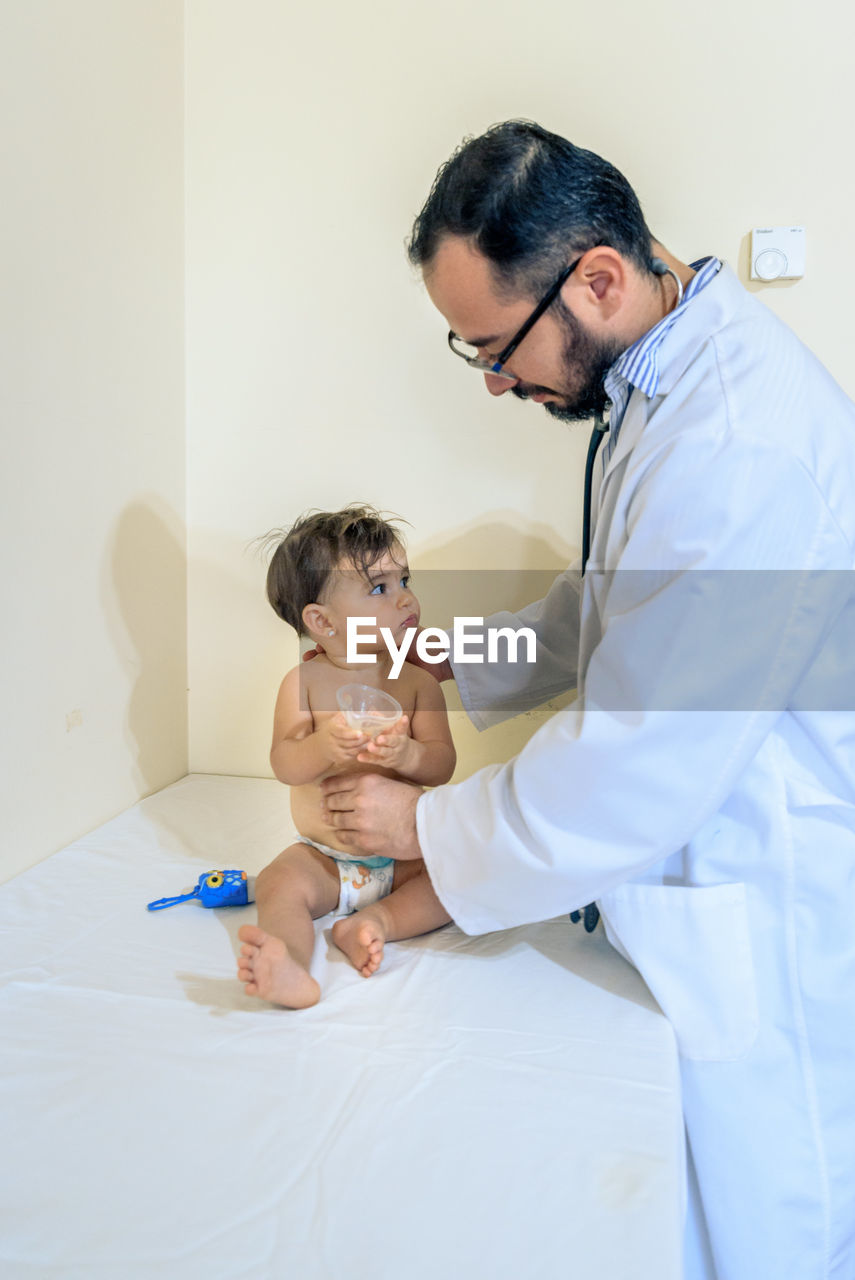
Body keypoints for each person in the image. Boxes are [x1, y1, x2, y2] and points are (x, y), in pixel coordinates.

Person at [318, 122, 855, 1279]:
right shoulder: (661, 385)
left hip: (766, 895)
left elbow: (641, 753)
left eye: (496, 349)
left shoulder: (740, 441)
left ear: (597, 279)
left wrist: (424, 825)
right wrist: (460, 651)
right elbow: (611, 597)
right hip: (689, 873)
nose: (500, 381)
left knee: (768, 1224)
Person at [237, 505, 456, 1009]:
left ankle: (373, 923)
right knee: (278, 884)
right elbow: (284, 763)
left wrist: (408, 754)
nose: (406, 597)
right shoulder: (304, 683)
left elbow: (442, 765)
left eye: (404, 579)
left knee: (456, 878)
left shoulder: (418, 682)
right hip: (324, 859)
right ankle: (289, 965)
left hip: (404, 857)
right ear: (322, 621)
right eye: (379, 588)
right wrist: (321, 745)